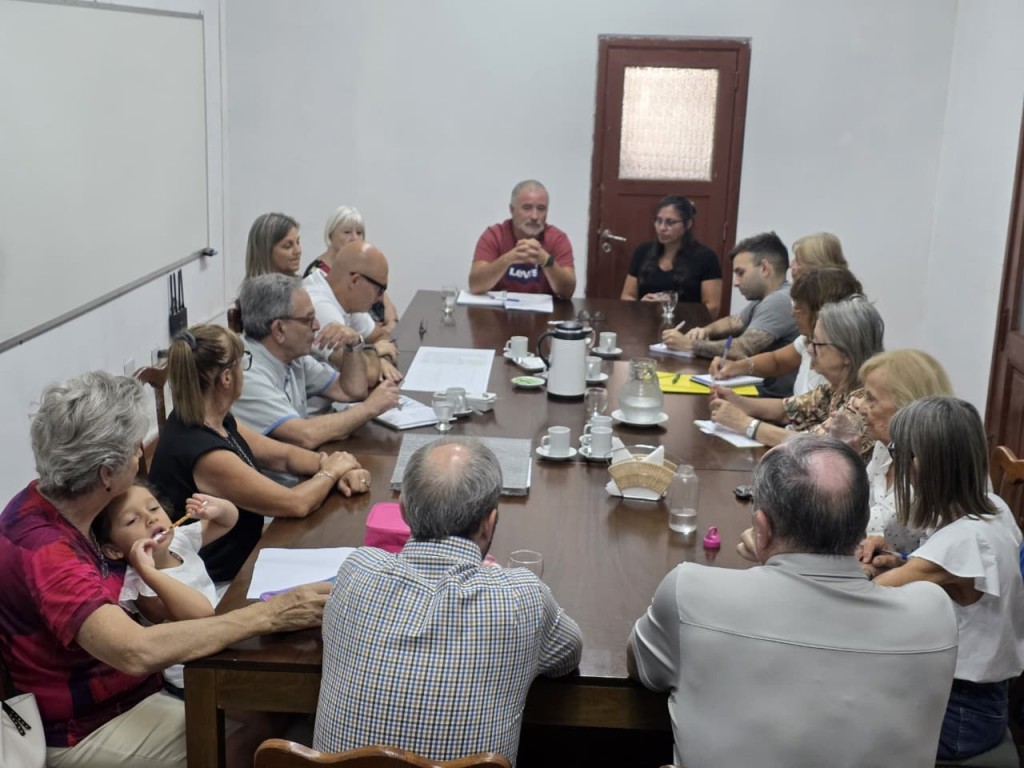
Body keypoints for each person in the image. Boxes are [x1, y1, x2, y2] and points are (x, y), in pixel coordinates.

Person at [0, 371, 330, 767]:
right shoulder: (46, 552)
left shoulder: (59, 500)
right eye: (133, 449)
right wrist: (270, 614)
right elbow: (134, 651)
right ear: (106, 474)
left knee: (274, 706)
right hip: (88, 725)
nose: (140, 456)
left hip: (133, 690)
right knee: (266, 733)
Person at [628, 436, 958, 768]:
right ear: (863, 526)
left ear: (761, 528)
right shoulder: (934, 613)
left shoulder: (691, 592)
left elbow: (643, 668)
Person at [313, 437, 583, 765]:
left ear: (403, 512)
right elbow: (568, 656)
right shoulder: (523, 597)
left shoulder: (357, 570)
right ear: (489, 523)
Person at [149, 324, 369, 581]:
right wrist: (333, 471)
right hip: (217, 582)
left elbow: (283, 457)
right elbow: (295, 504)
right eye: (242, 362)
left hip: (247, 556)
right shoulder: (204, 453)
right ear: (226, 378)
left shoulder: (214, 419)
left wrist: (334, 464)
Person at [870, 398, 1024, 760]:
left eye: (897, 452)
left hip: (960, 716)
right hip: (983, 701)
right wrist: (901, 561)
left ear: (921, 463)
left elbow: (866, 599)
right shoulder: (994, 508)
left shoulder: (961, 543)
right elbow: (957, 576)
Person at [233, 274, 400, 455]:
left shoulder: (293, 357)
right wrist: (369, 408)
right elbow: (305, 435)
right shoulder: (246, 373)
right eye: (308, 319)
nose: (316, 325)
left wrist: (354, 345)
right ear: (279, 329)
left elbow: (351, 391)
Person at [709, 295, 884, 459]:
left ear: (846, 353)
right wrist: (738, 401)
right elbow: (787, 410)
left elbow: (809, 446)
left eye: (817, 344)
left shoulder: (863, 402)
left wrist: (744, 423)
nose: (809, 350)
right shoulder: (837, 388)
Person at [661, 231, 799, 397]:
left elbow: (742, 347)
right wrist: (705, 331)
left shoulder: (779, 300)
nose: (735, 282)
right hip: (757, 389)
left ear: (764, 268)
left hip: (770, 397)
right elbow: (733, 322)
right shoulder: (764, 298)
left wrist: (690, 345)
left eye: (741, 273)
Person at [854, 350, 954, 554]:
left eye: (871, 399)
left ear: (905, 407)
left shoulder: (928, 465)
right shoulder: (886, 446)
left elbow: (866, 527)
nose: (861, 408)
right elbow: (858, 502)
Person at [709, 267, 863, 396]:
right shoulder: (806, 340)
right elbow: (777, 361)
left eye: (799, 309)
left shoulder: (838, 368)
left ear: (821, 312)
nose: (792, 314)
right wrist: (737, 367)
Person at [303, 240, 403, 385]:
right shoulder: (319, 307)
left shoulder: (345, 297)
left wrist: (381, 359)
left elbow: (382, 336)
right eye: (379, 289)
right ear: (355, 281)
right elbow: (365, 375)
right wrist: (375, 351)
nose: (380, 298)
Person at [468, 179, 576, 298]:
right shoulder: (494, 235)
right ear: (512, 210)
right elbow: (475, 285)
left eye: (541, 209)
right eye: (527, 208)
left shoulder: (557, 239)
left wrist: (546, 261)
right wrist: (508, 258)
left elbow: (568, 291)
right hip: (499, 308)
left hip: (543, 309)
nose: (534, 216)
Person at [619, 195, 722, 318]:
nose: (662, 228)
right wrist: (642, 304)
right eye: (658, 221)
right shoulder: (642, 251)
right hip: (645, 322)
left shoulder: (706, 257)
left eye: (670, 222)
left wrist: (670, 308)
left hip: (688, 326)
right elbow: (626, 296)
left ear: (688, 224)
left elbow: (712, 308)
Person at [304, 205, 399, 335]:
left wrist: (391, 326)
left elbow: (386, 304)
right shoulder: (319, 277)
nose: (354, 238)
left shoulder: (364, 268)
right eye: (347, 232)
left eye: (359, 233)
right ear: (330, 235)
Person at [245, 212, 303, 278]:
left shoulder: (305, 282)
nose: (298, 251)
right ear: (265, 251)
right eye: (287, 246)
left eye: (298, 242)